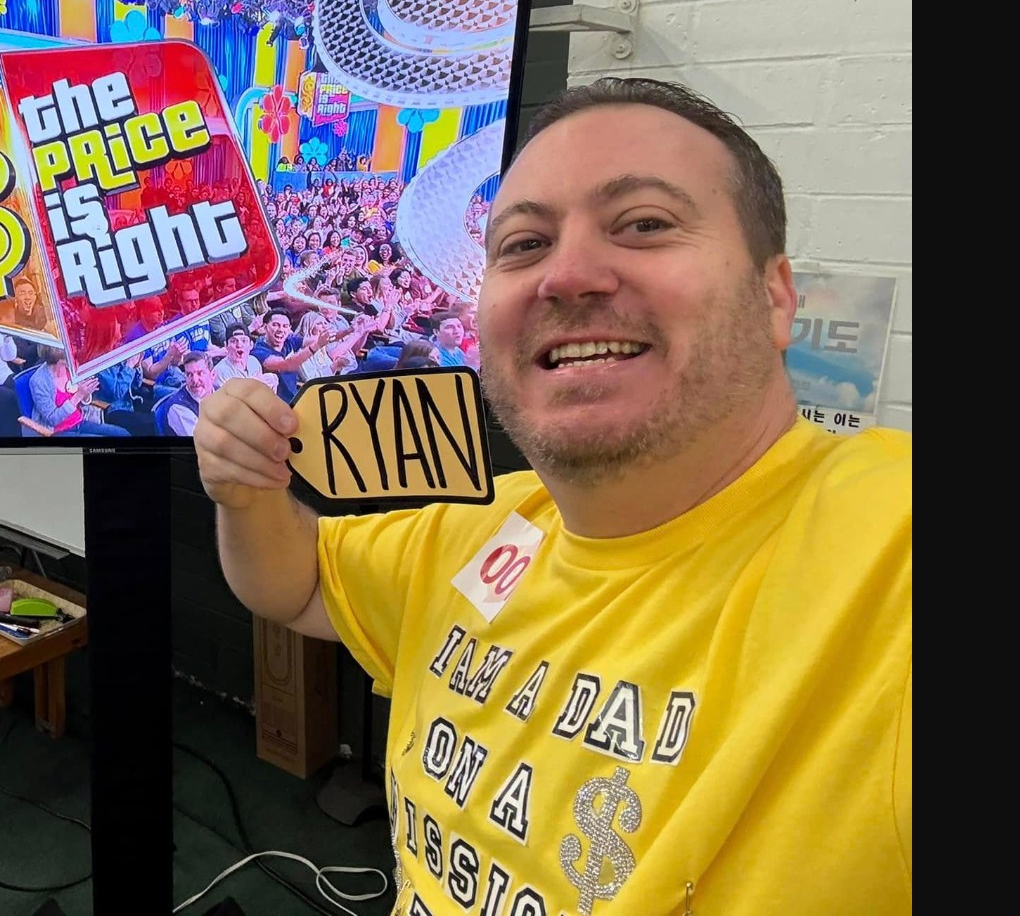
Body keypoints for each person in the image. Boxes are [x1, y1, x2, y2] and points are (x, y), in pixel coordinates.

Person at [191, 78, 910, 915]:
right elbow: (297, 583)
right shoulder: (481, 526)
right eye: (524, 244)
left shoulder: (882, 546)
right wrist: (246, 497)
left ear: (777, 295)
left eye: (644, 224)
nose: (566, 276)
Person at [27, 346, 129, 437]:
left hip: (80, 421)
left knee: (123, 433)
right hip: (59, 431)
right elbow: (52, 419)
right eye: (71, 354)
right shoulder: (38, 381)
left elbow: (84, 402)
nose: (74, 357)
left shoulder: (70, 368)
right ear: (59, 360)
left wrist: (86, 394)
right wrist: (78, 396)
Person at [157, 352, 216, 436]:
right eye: (189, 375)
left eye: (200, 373)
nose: (195, 380)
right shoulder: (178, 408)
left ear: (212, 375)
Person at [210, 324, 276, 392]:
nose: (239, 345)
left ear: (251, 345)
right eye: (233, 341)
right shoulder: (220, 372)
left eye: (244, 341)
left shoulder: (254, 361)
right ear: (226, 345)